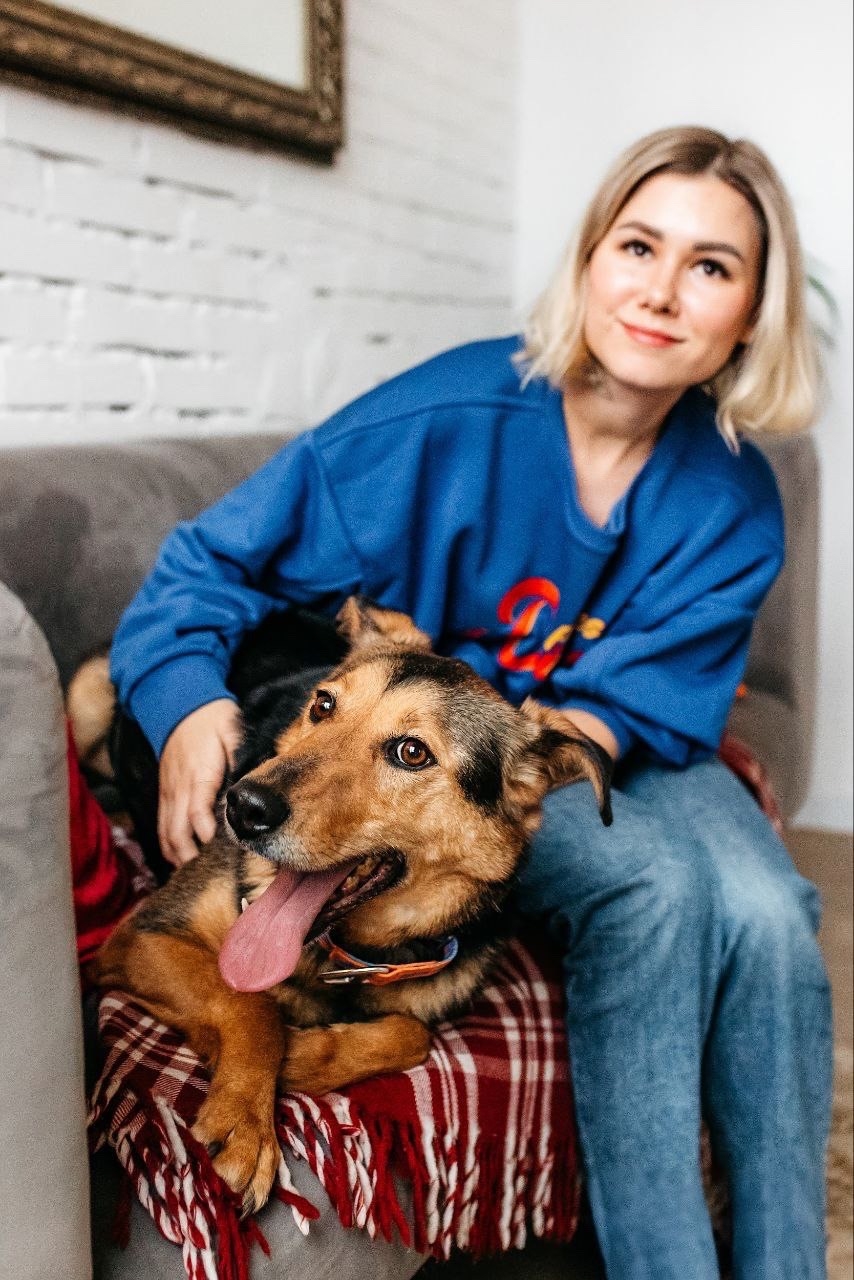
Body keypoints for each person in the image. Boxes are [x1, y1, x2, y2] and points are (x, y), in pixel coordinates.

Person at [110, 126, 832, 1278]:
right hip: (458, 754)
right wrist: (188, 700)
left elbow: (627, 713)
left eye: (709, 265)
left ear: (748, 313)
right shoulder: (437, 419)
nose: (659, 290)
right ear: (589, 258)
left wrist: (529, 744)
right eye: (636, 245)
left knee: (764, 910)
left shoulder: (734, 496)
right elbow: (205, 564)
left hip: (585, 744)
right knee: (653, 889)